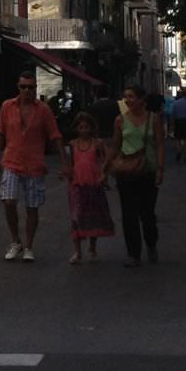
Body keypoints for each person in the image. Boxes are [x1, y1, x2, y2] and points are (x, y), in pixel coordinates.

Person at [0, 70, 64, 262]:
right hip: (11, 161)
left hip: (34, 164)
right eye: (22, 87)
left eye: (30, 87)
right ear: (18, 87)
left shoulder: (43, 110)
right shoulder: (7, 106)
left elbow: (55, 135)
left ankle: (29, 246)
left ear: (35, 88)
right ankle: (15, 240)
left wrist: (66, 164)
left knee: (32, 207)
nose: (26, 90)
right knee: (8, 201)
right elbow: (0, 132)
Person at [111, 83, 166, 265]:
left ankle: (151, 243)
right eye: (126, 97)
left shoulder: (154, 119)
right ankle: (133, 254)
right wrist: (106, 168)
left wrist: (159, 168)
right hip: (126, 172)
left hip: (147, 171)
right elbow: (116, 146)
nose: (127, 100)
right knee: (129, 214)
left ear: (142, 100)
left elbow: (159, 144)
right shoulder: (120, 120)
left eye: (131, 97)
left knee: (148, 214)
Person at [64, 112, 113, 264]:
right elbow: (68, 164)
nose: (83, 130)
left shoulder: (98, 144)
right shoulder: (72, 145)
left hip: (94, 185)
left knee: (93, 217)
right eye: (81, 127)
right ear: (76, 129)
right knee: (76, 218)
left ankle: (92, 247)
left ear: (92, 128)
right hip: (77, 186)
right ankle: (78, 252)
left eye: (86, 127)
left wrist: (104, 174)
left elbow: (108, 159)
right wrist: (66, 173)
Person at [167, 89, 186, 164]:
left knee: (177, 138)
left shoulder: (175, 103)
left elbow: (172, 114)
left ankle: (179, 150)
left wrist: (172, 124)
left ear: (180, 95)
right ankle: (185, 156)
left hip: (178, 121)